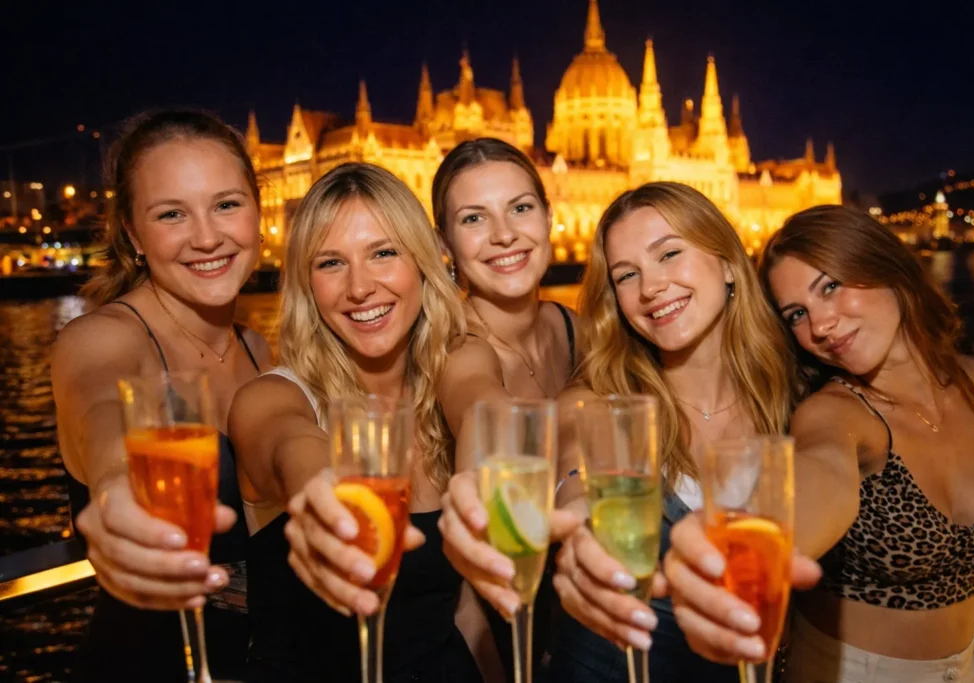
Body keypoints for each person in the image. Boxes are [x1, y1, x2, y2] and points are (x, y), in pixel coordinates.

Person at [440, 181, 796, 682]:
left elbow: (831, 465)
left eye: (669, 254)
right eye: (627, 275)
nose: (651, 287)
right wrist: (579, 515)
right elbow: (570, 449)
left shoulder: (792, 388)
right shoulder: (602, 393)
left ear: (730, 262)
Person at [664, 205, 974, 682]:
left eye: (830, 287)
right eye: (797, 314)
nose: (820, 326)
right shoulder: (834, 413)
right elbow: (821, 472)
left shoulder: (973, 383)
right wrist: (764, 546)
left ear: (883, 264)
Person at [228, 162, 485, 682]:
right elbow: (288, 443)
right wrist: (327, 494)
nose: (360, 287)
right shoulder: (270, 397)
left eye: (383, 253)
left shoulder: (452, 376)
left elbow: (486, 403)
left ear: (425, 260)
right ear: (306, 284)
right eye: (330, 263)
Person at [51, 109, 272, 682]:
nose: (207, 237)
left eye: (226, 204)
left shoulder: (264, 351)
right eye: (172, 214)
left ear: (257, 210)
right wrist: (117, 488)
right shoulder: (102, 339)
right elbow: (104, 408)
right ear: (131, 232)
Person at [433, 137, 579, 680]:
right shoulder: (456, 346)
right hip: (498, 636)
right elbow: (480, 406)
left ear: (548, 217)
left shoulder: (574, 328)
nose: (504, 234)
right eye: (474, 218)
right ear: (444, 242)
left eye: (520, 208)